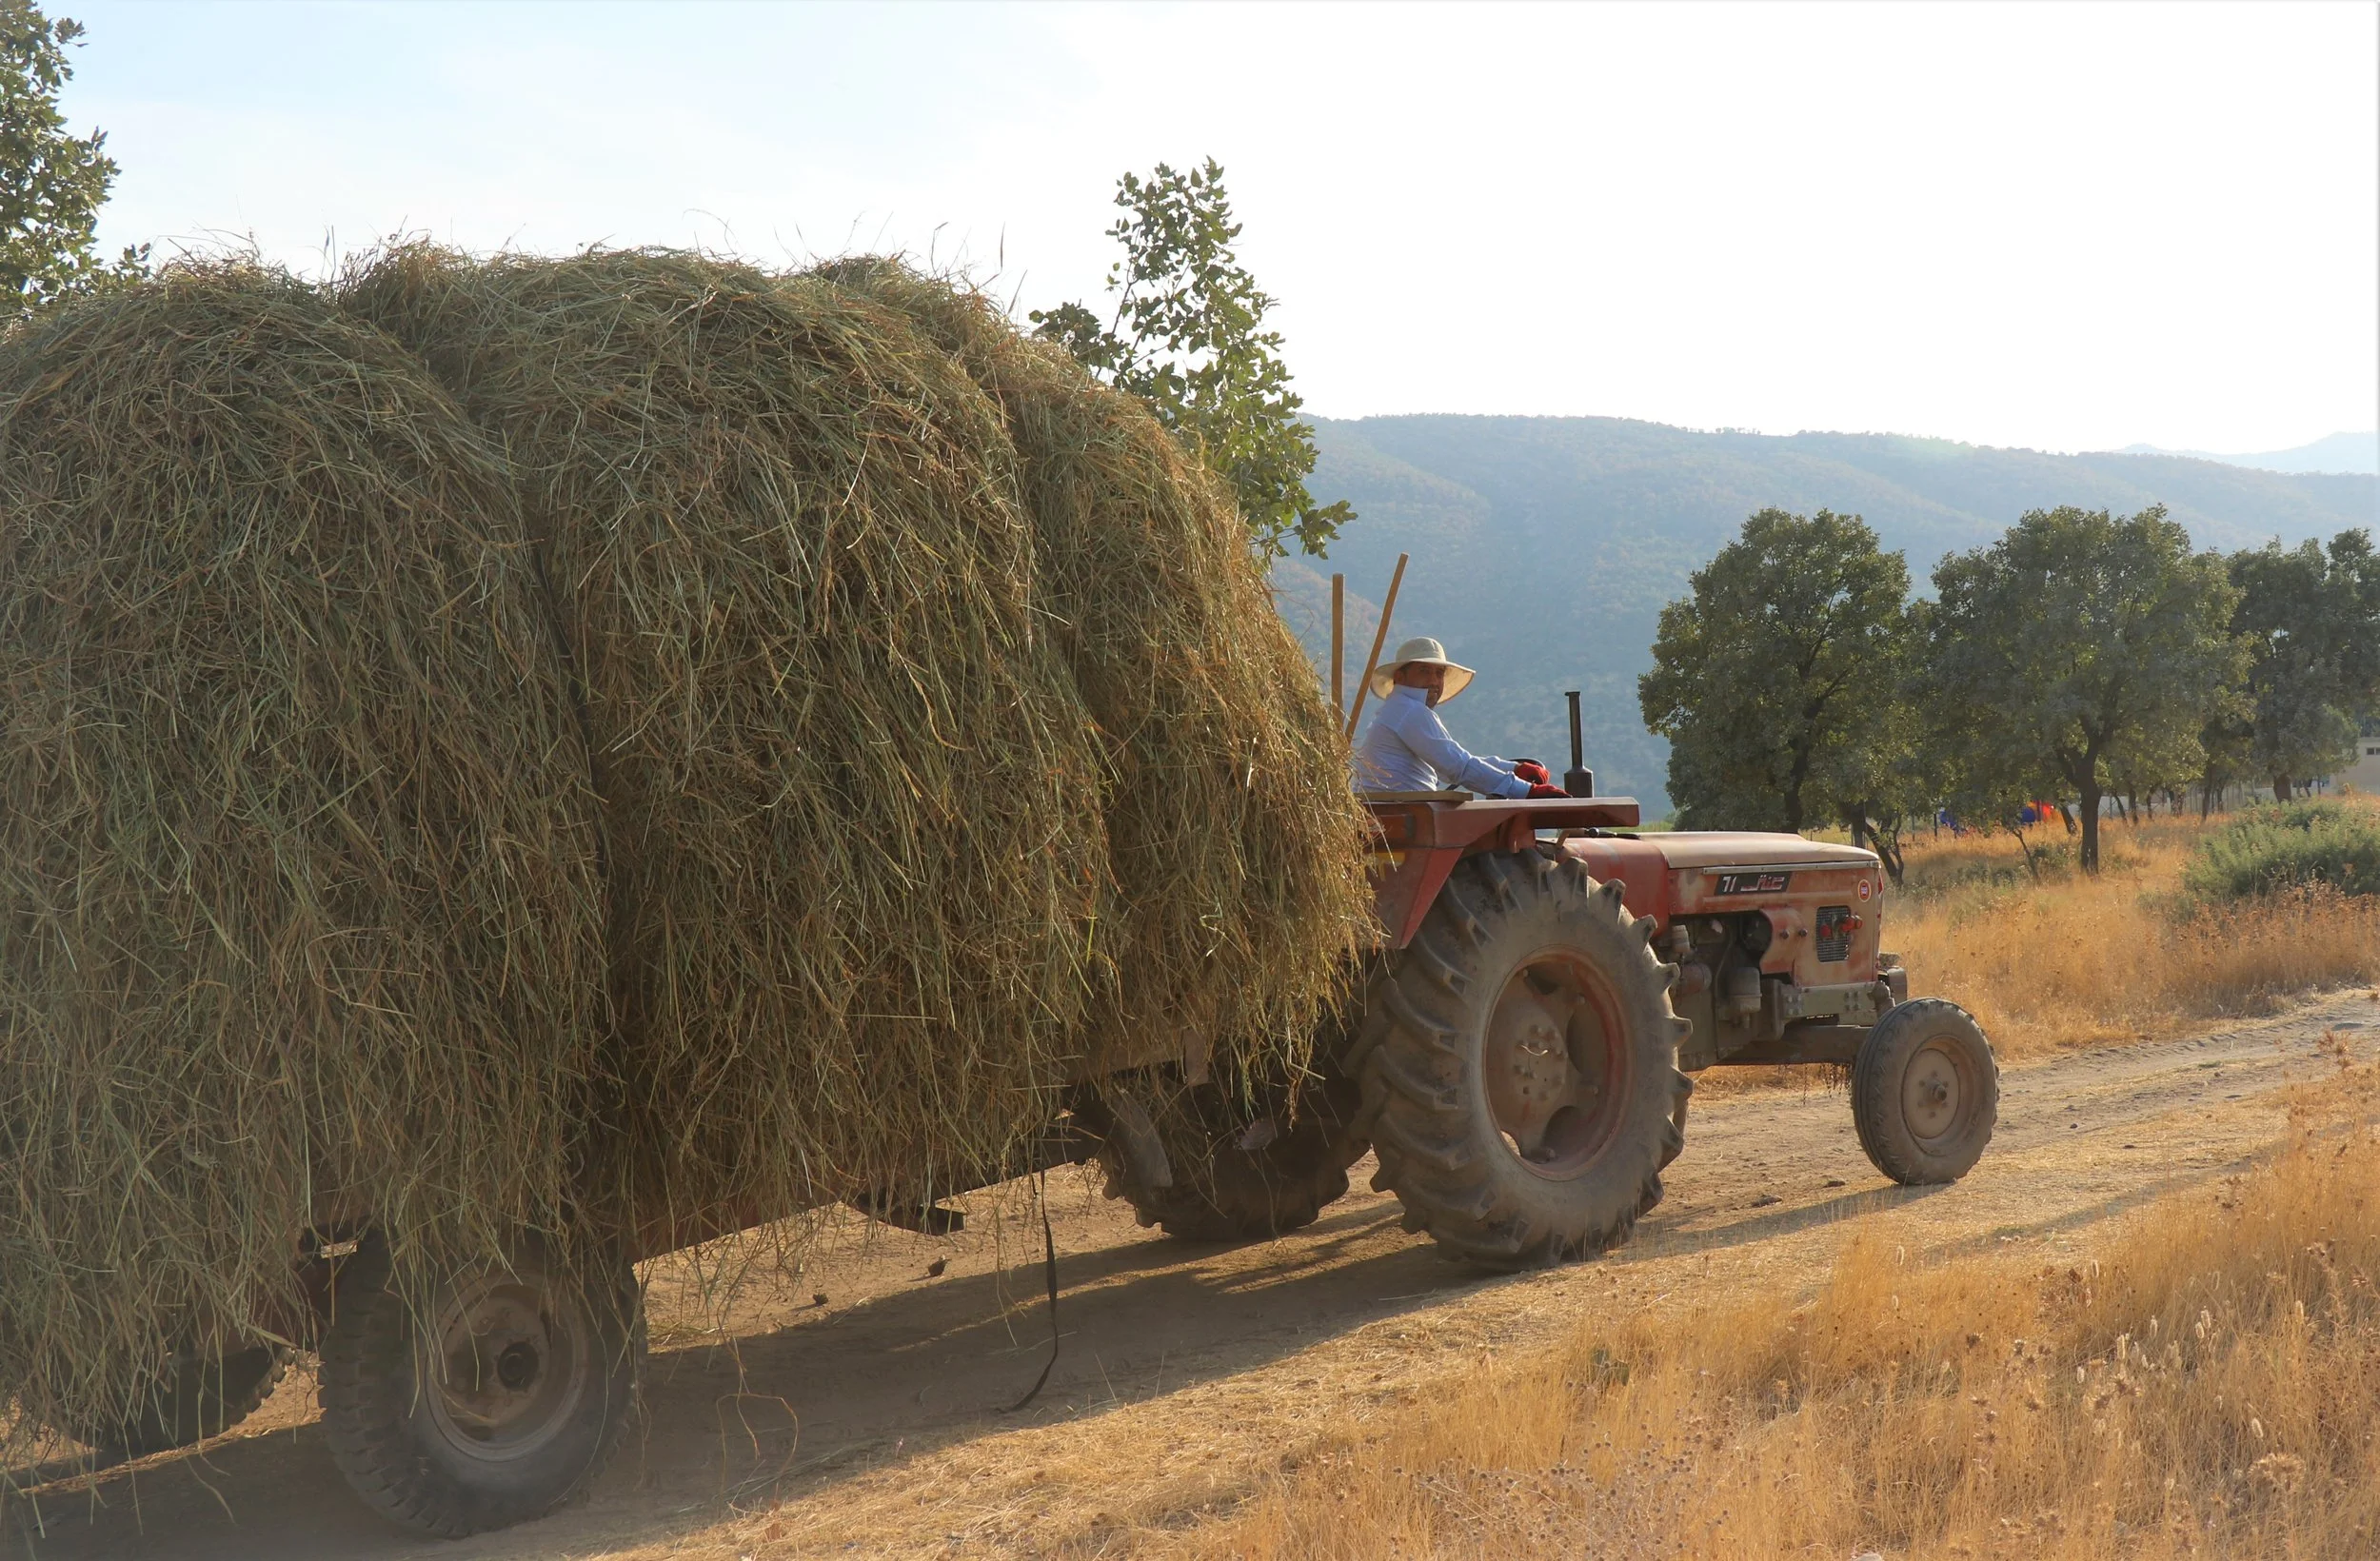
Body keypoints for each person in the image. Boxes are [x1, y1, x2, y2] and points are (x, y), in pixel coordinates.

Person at [1353, 637, 1567, 798]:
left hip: (1400, 812)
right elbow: (1458, 767)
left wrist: (1514, 769)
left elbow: (1455, 758)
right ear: (1400, 677)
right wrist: (1528, 792)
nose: (1434, 681)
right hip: (1406, 817)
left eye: (1439, 674)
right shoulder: (1409, 711)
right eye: (1424, 671)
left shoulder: (1397, 710)